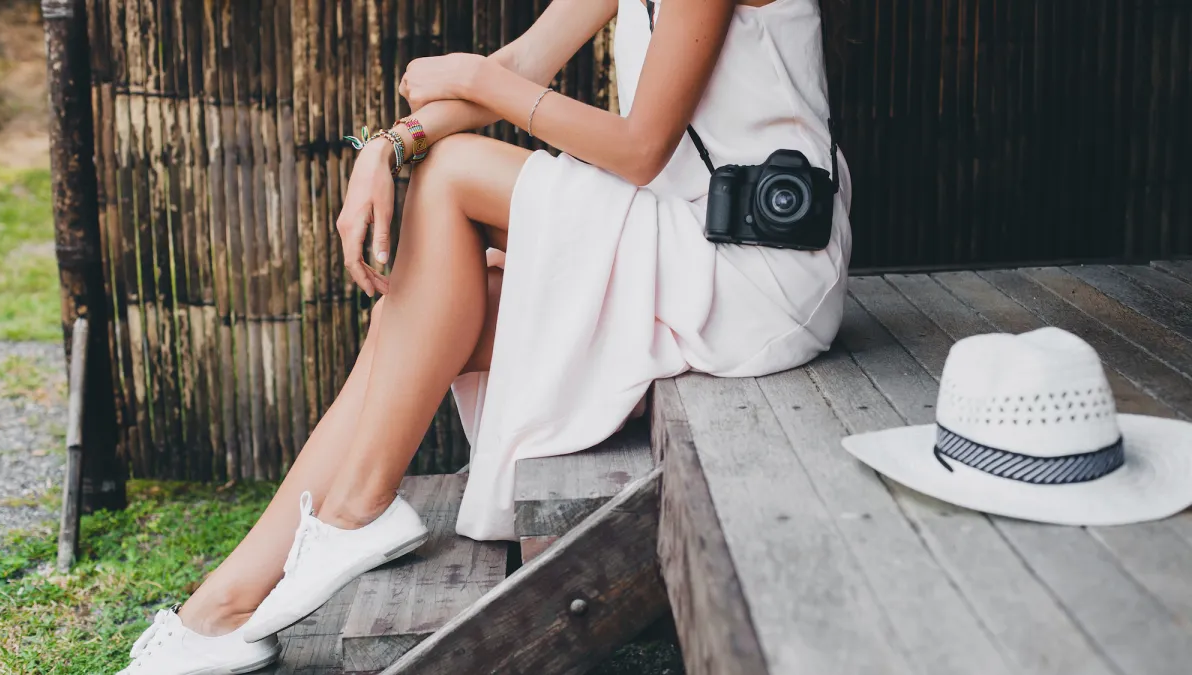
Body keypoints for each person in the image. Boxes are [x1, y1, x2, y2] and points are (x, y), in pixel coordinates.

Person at [117, 0, 852, 672]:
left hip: (757, 266)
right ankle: (228, 602)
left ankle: (358, 507)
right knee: (410, 317)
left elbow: (639, 148)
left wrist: (469, 81)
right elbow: (525, 61)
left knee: (454, 171)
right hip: (683, 237)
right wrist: (387, 145)